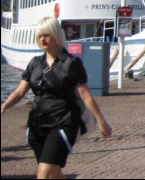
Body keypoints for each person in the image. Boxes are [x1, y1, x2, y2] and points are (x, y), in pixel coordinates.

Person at [1, 16, 112, 179]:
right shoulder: (35, 63)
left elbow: (85, 94)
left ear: (56, 35)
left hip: (63, 122)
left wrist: (101, 121)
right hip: (37, 124)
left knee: (44, 173)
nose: (42, 39)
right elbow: (20, 92)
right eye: (39, 36)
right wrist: (4, 106)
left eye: (46, 35)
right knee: (54, 173)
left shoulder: (71, 63)